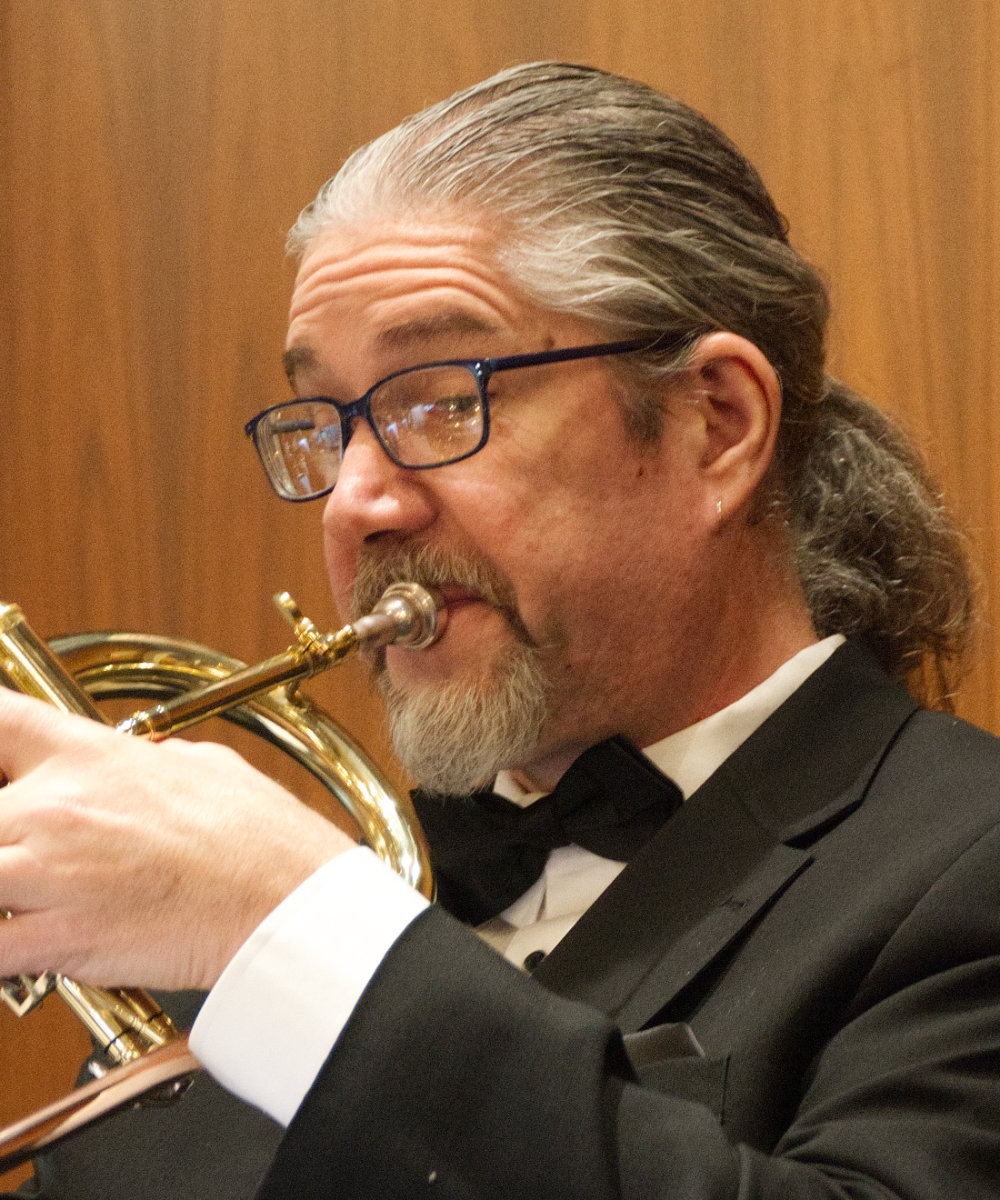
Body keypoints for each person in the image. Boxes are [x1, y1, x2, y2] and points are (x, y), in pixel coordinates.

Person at [2, 61, 998, 1199]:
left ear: (716, 424)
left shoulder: (966, 868)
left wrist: (303, 931)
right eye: (328, 423)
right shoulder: (260, 931)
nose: (354, 503)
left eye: (440, 400)